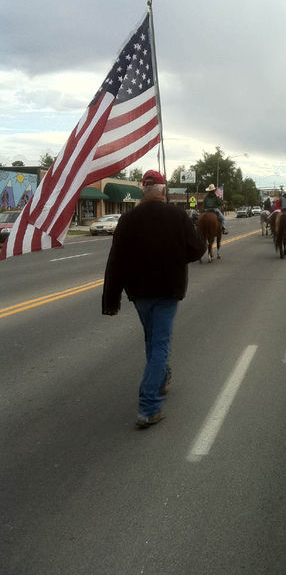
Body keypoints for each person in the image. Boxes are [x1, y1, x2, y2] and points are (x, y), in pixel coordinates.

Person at [102, 170, 205, 429]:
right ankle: (149, 407)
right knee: (160, 345)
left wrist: (111, 296)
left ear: (143, 190)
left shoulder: (128, 219)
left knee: (152, 340)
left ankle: (159, 381)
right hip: (168, 291)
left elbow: (116, 261)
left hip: (139, 293)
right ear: (162, 190)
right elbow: (196, 250)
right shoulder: (178, 216)